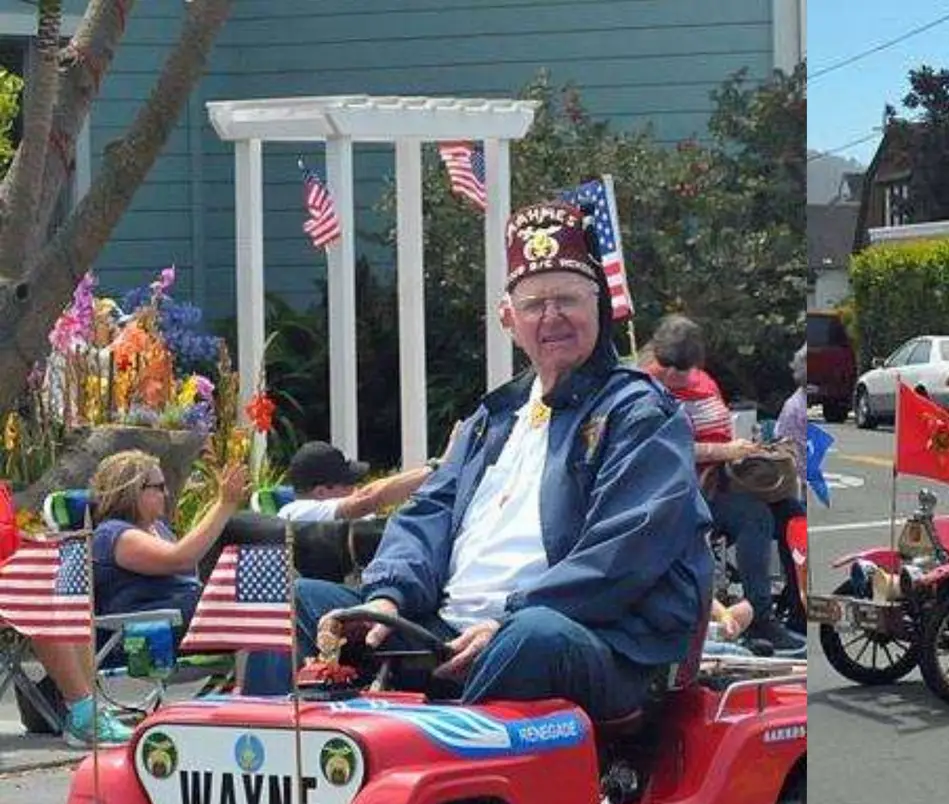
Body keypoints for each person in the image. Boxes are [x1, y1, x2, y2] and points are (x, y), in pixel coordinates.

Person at [247, 200, 714, 724]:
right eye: (536, 303)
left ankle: (428, 758)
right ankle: (277, 770)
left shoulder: (640, 413)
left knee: (535, 635)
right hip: (444, 633)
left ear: (599, 307)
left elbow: (626, 551)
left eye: (568, 299)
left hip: (587, 639)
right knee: (288, 603)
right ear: (508, 318)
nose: (552, 316)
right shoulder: (492, 417)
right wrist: (387, 599)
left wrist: (506, 621)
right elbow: (427, 513)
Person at [642, 314, 805, 652]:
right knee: (754, 518)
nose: (674, 373)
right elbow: (657, 451)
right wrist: (725, 450)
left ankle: (798, 605)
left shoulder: (703, 382)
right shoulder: (645, 389)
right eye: (667, 364)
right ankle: (759, 617)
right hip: (680, 494)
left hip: (721, 479)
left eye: (682, 366)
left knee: (792, 512)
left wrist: (745, 451)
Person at [90, 450, 250, 644]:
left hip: (177, 616)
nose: (165, 493)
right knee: (248, 597)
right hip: (142, 634)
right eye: (158, 487)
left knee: (282, 593)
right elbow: (181, 559)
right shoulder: (112, 534)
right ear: (131, 491)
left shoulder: (158, 529)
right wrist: (224, 504)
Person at [277, 440, 441, 523]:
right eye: (347, 484)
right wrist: (437, 468)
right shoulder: (295, 514)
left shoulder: (343, 517)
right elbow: (367, 499)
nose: (355, 489)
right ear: (321, 492)